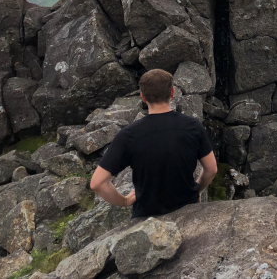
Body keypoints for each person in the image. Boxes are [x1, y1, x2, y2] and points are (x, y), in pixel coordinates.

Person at [90, 68, 218, 217]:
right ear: (172, 93)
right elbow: (212, 169)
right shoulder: (193, 126)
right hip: (188, 211)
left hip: (147, 217)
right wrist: (196, 190)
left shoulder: (129, 135)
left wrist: (124, 201)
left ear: (142, 97)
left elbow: (97, 183)